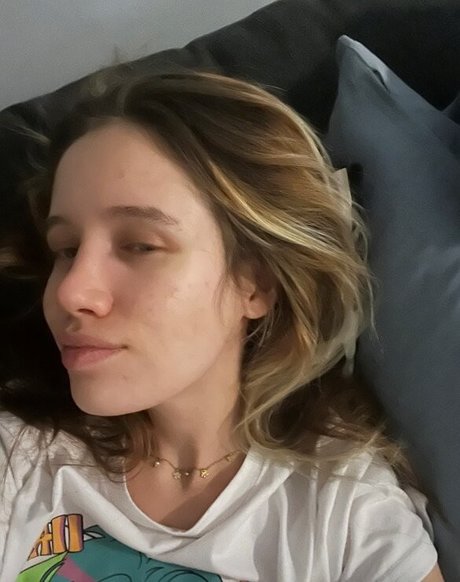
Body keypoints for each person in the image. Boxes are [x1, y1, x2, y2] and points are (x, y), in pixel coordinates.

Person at [0, 67, 444, 581]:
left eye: (139, 245)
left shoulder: (348, 520)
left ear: (255, 283)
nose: (70, 292)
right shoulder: (22, 458)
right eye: (66, 249)